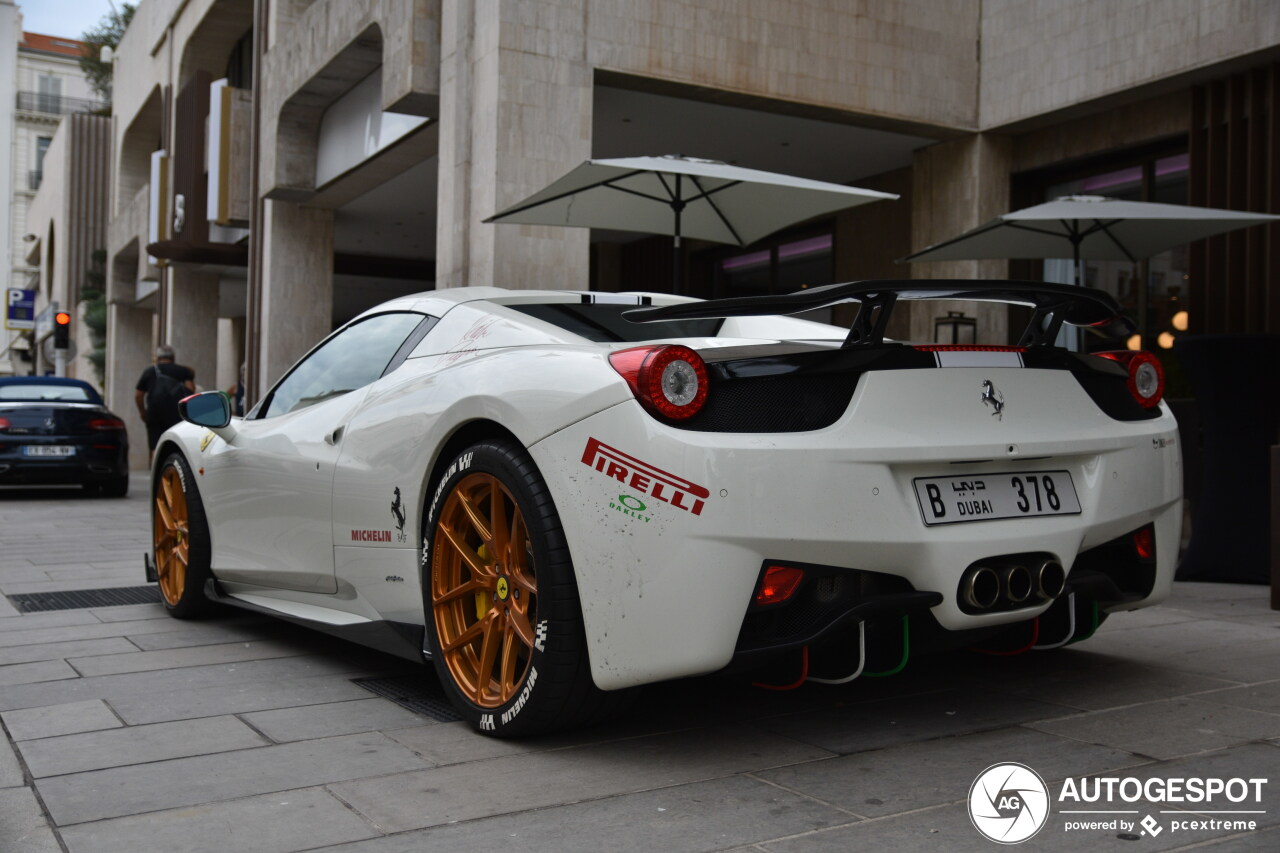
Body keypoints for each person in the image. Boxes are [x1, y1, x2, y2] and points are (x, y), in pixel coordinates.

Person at [135, 345, 196, 459]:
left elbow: (138, 395)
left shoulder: (149, 371)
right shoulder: (183, 371)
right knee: (177, 443)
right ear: (173, 357)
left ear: (157, 358)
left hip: (154, 411)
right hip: (176, 413)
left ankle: (156, 473)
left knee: (155, 446)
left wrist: (143, 412)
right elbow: (191, 390)